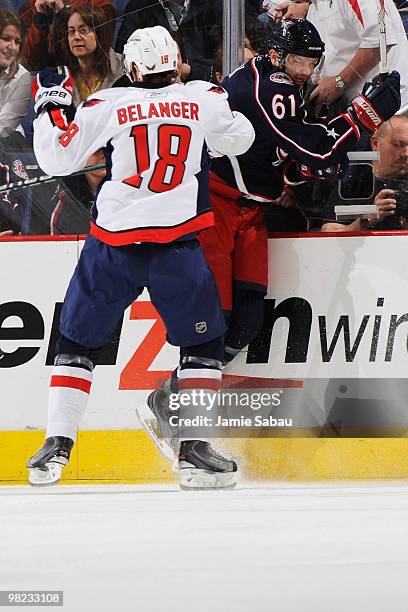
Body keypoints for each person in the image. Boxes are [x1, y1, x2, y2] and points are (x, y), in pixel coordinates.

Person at [27, 25, 255, 489]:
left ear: (131, 67)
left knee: (75, 341)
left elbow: (56, 159)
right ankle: (194, 450)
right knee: (203, 347)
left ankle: (56, 444)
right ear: (175, 61)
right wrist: (215, 99)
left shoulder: (108, 102)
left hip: (113, 242)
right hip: (178, 242)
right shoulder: (202, 97)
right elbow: (241, 140)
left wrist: (50, 104)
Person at [197, 19, 401, 366]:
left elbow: (294, 161)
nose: (305, 71)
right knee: (216, 320)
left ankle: (185, 387)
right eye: (298, 61)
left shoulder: (280, 81)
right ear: (276, 55)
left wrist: (308, 166)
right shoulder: (271, 86)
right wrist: (362, 115)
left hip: (250, 211)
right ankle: (182, 397)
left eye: (311, 63)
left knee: (247, 322)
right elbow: (317, 151)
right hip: (215, 207)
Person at [263, 0, 408, 109]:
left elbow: (379, 43)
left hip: (383, 109)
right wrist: (307, 9)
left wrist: (340, 82)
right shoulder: (315, 4)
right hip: (351, 106)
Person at [321, 115, 408, 231]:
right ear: (375, 144)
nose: (406, 154)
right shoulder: (354, 187)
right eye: (398, 144)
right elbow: (328, 231)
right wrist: (367, 219)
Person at [115, 0, 223, 82]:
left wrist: (189, 71)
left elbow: (225, 67)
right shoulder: (138, 7)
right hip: (153, 96)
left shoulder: (214, 5)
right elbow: (124, 61)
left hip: (202, 92)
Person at [18, 0, 116, 71]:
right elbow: (31, 62)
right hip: (45, 80)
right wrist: (40, 20)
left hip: (86, 76)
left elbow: (98, 54)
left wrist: (64, 16)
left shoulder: (100, 5)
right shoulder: (31, 8)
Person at [64, 4, 123, 107]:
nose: (76, 37)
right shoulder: (62, 76)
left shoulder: (124, 69)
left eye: (84, 30)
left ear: (100, 33)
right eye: (72, 31)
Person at [0, 9, 32, 138]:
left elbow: (5, 127)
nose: (13, 47)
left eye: (17, 42)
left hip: (6, 147)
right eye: (6, 39)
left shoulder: (22, 77)